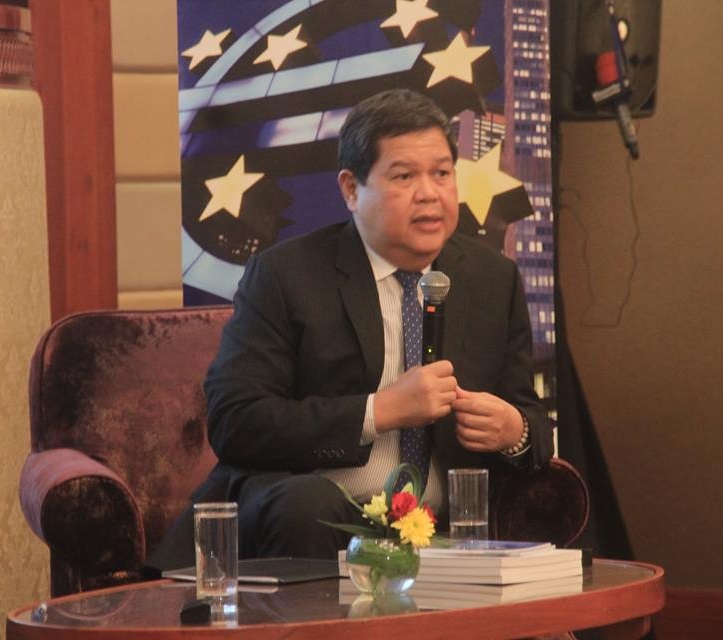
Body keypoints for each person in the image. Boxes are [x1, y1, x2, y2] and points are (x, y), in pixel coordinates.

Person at [147, 88, 552, 572]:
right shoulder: (286, 276)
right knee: (308, 504)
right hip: (311, 518)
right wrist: (379, 411)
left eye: (442, 173)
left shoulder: (492, 279)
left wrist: (514, 430)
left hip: (434, 530)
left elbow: (532, 419)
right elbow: (236, 421)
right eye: (404, 176)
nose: (429, 193)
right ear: (351, 190)